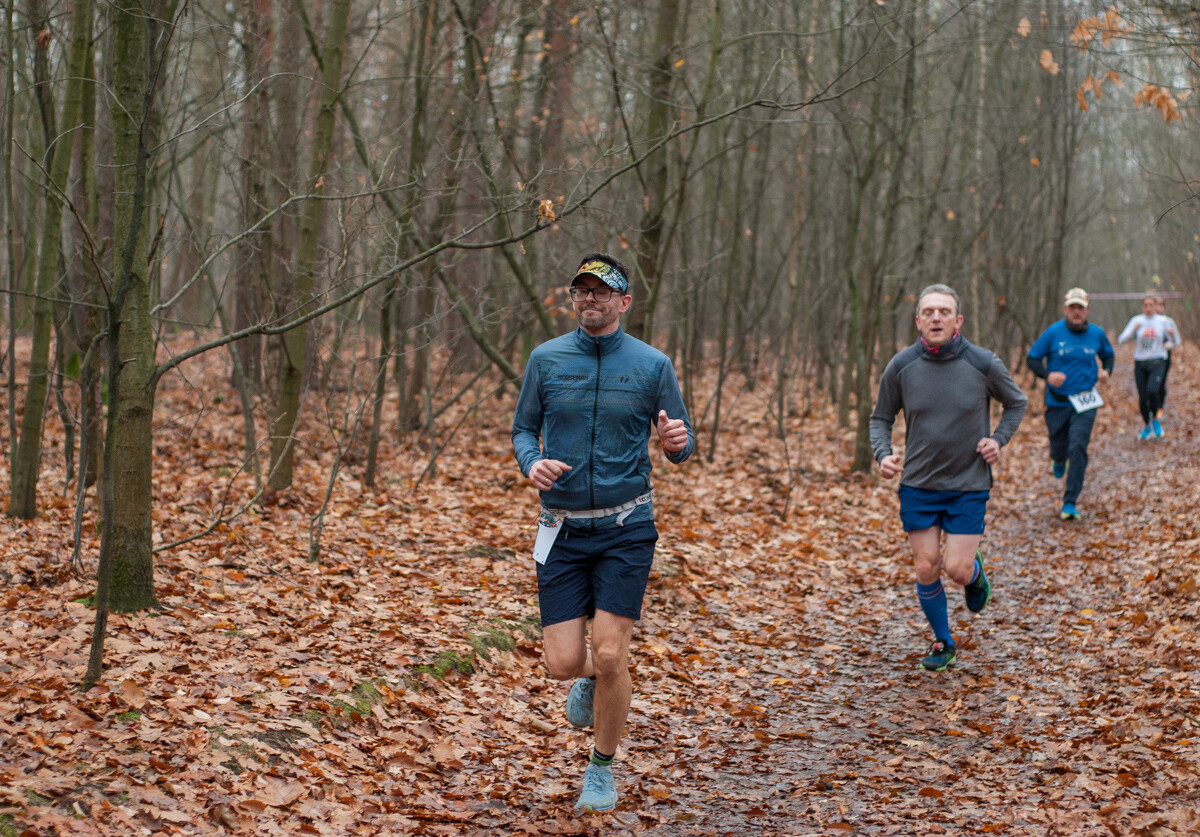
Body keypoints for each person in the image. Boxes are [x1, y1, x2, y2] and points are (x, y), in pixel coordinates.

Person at [511, 252, 694, 812]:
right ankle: (593, 677)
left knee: (612, 653)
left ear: (624, 302)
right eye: (581, 290)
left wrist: (675, 444)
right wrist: (530, 462)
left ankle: (601, 768)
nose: (589, 298)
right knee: (562, 663)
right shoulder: (546, 359)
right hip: (561, 529)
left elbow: (683, 445)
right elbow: (523, 429)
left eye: (600, 290)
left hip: (625, 528)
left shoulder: (652, 364)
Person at [870, 284, 1027, 672]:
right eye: (929, 312)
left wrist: (998, 440)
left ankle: (974, 574)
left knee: (956, 569)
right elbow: (881, 418)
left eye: (944, 312)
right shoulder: (901, 365)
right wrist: (883, 454)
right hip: (918, 485)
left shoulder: (983, 363)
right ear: (918, 320)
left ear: (958, 321)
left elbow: (1016, 402)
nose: (936, 318)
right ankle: (944, 641)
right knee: (926, 566)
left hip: (968, 484)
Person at [1026, 287, 1116, 521]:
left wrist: (1106, 371)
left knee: (1078, 447)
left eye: (1081, 307)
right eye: (1072, 307)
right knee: (1059, 447)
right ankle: (1057, 459)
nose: (1076, 312)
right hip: (1057, 401)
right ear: (1065, 309)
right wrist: (1048, 375)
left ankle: (1070, 502)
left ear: (1087, 309)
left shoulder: (1096, 333)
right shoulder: (1053, 332)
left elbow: (1108, 355)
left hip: (1085, 401)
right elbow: (1032, 358)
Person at [1117, 294, 1176, 439]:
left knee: (1152, 390)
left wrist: (1169, 341)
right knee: (1142, 397)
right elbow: (1121, 339)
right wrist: (1133, 331)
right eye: (1146, 305)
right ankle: (1146, 424)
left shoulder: (1163, 321)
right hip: (1140, 363)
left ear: (1156, 306)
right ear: (1142, 307)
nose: (1149, 308)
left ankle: (1155, 418)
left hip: (1158, 361)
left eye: (1151, 305)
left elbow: (1174, 341)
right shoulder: (1137, 320)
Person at [1154, 295, 1182, 417]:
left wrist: (1168, 345)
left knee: (1160, 383)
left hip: (1164, 357)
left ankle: (1160, 409)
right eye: (1157, 304)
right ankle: (1151, 408)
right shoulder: (1147, 321)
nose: (1159, 307)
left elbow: (1177, 340)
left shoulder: (1169, 322)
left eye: (1161, 304)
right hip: (1150, 358)